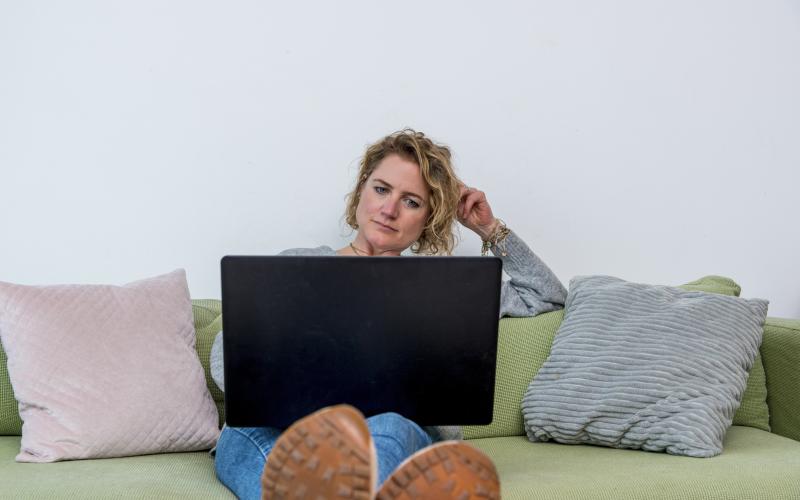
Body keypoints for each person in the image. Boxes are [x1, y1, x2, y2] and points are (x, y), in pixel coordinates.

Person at [210, 129, 567, 499]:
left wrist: (488, 229)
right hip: (289, 432)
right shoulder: (297, 267)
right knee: (240, 433)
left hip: (392, 436)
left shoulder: (447, 289)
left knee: (391, 425)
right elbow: (226, 359)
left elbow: (548, 296)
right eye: (381, 189)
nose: (389, 209)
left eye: (411, 201)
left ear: (429, 218)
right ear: (362, 189)